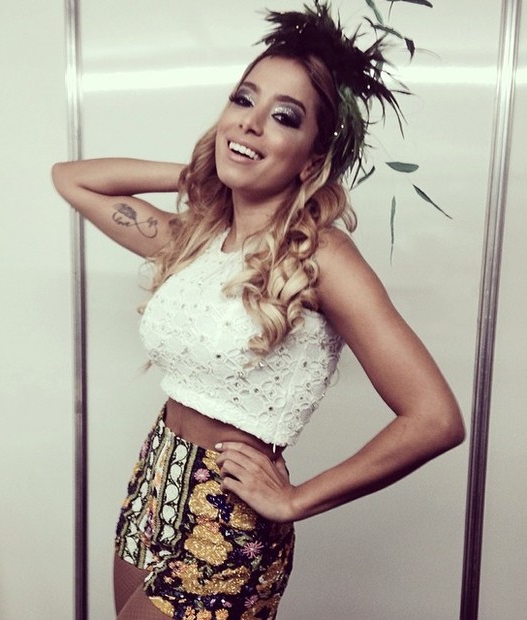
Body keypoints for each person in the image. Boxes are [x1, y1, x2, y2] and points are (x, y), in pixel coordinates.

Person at [52, 3, 465, 618]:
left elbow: (435, 418)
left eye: (284, 117)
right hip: (154, 483)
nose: (249, 123)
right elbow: (72, 178)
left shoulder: (321, 256)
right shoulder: (196, 240)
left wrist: (297, 499)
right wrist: (206, 174)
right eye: (243, 100)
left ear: (312, 157)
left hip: (228, 516)